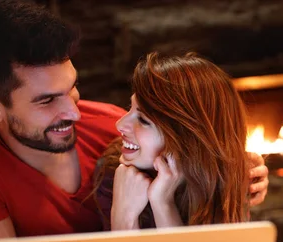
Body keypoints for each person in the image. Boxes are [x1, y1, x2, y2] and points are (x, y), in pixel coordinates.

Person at [0, 0, 269, 242]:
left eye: (71, 88)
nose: (73, 112)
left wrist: (235, 170)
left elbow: (186, 145)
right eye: (47, 101)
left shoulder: (107, 125)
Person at [93, 52, 251, 230]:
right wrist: (124, 216)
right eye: (130, 108)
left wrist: (162, 202)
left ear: (187, 140)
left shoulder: (226, 178)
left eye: (143, 120)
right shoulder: (114, 172)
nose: (120, 124)